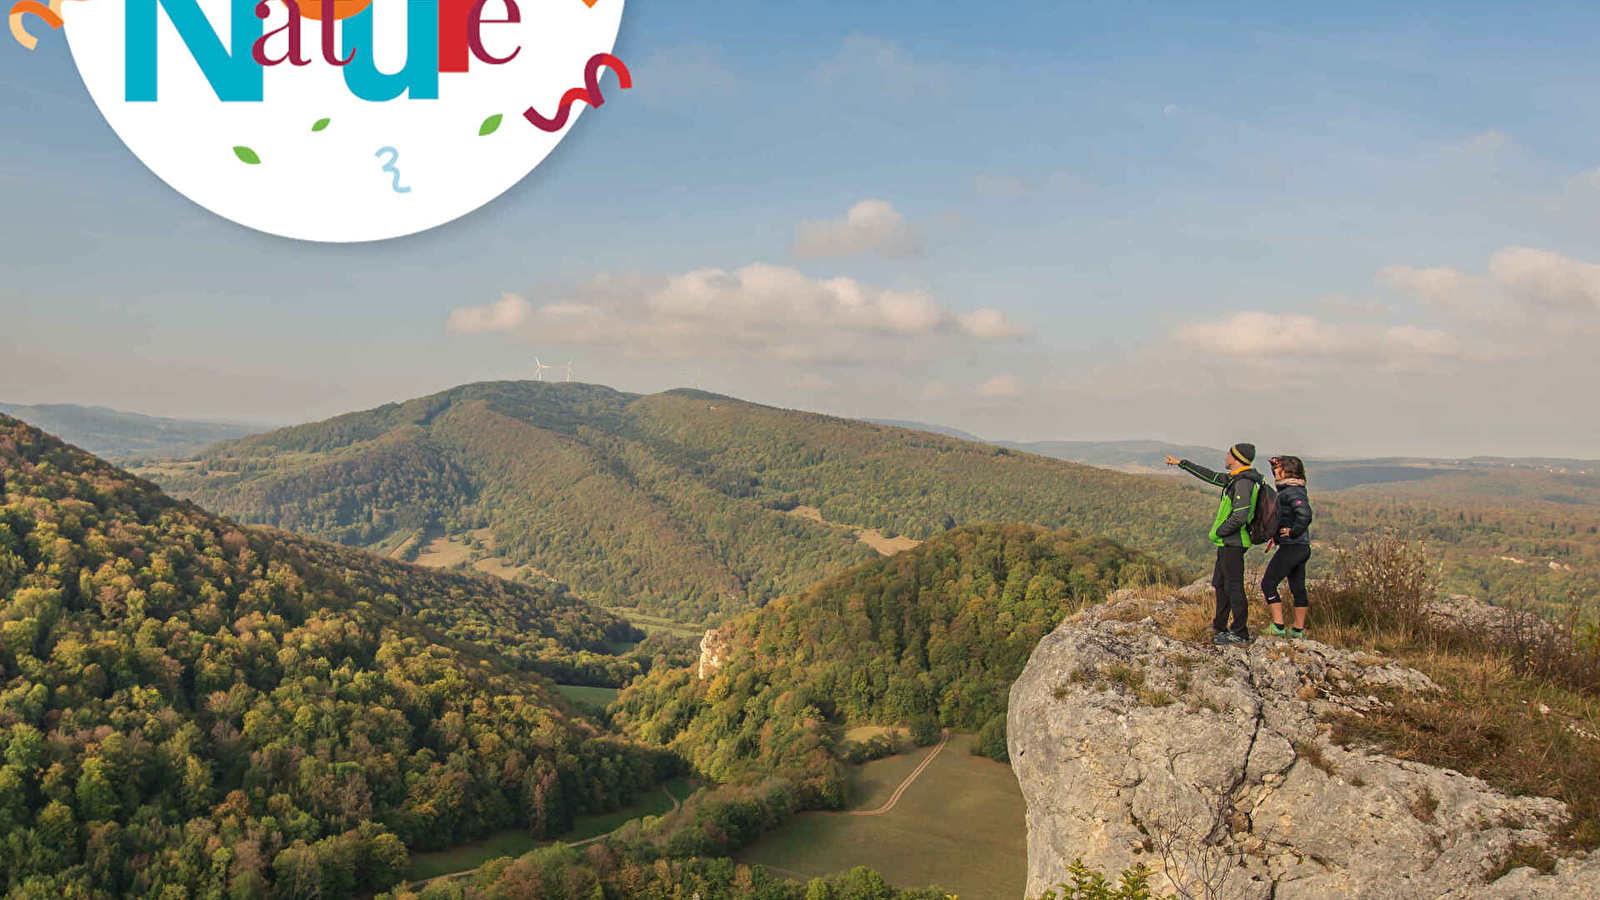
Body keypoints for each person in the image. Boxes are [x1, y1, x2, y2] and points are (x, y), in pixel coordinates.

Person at [1165, 444, 1263, 645]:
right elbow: (1210, 476)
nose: (1225, 457)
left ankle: (1240, 633)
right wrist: (1181, 463)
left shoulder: (1244, 483)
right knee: (1220, 583)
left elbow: (1241, 516)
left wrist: (1220, 531)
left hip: (1234, 542)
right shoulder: (1235, 478)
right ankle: (1219, 625)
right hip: (1227, 542)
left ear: (1236, 457)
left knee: (1234, 587)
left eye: (1228, 453)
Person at [1261, 455, 1313, 638]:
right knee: (1298, 587)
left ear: (1287, 471)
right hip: (1301, 547)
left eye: (1278, 469)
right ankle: (1298, 630)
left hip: (1292, 546)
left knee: (1268, 584)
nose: (1275, 472)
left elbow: (1305, 514)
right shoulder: (1296, 488)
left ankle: (1278, 626)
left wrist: (1292, 531)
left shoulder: (1292, 492)